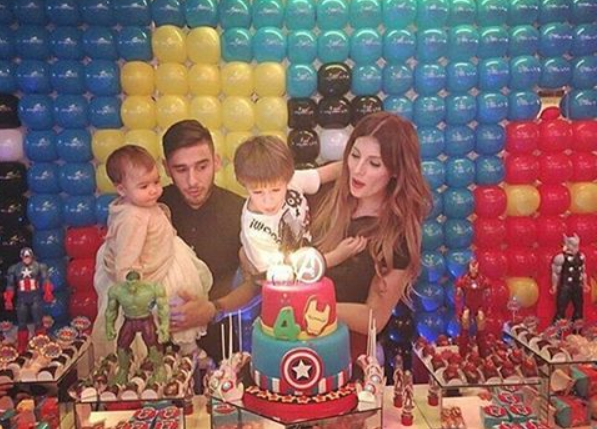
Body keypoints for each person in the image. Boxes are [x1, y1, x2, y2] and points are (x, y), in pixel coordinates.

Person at [309, 112, 432, 359]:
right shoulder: (326, 195)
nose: (358, 170)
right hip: (294, 341)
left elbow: (374, 317)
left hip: (349, 354)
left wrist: (311, 307)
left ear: (395, 171)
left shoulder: (397, 236)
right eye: (355, 155)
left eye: (374, 164)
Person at [92, 145, 212, 357]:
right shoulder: (132, 219)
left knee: (183, 304)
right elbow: (126, 259)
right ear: (122, 189)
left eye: (156, 182)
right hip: (150, 272)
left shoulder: (144, 204)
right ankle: (167, 352)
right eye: (144, 186)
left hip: (166, 255)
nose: (154, 190)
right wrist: (132, 290)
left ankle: (187, 347)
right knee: (169, 308)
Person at [159, 120, 255, 364]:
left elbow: (257, 283)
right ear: (166, 168)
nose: (192, 181)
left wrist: (212, 309)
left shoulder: (241, 211)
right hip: (158, 345)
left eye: (202, 166)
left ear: (216, 161)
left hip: (223, 345)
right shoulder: (153, 209)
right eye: (181, 169)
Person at [233, 135, 357, 280]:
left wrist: (358, 164)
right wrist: (337, 256)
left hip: (302, 257)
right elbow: (276, 276)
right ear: (244, 184)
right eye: (257, 192)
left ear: (287, 179)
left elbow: (328, 173)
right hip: (266, 279)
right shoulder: (254, 229)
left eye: (276, 190)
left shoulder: (291, 181)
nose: (268, 200)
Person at [105, 270, 169, 386]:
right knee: (121, 345)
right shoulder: (117, 291)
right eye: (129, 283)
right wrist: (109, 325)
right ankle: (123, 370)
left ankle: (159, 368)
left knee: (153, 344)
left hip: (145, 319)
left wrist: (164, 325)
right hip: (129, 320)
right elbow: (111, 310)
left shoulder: (152, 288)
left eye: (134, 283)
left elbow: (163, 307)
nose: (132, 286)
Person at [4, 248, 54, 353]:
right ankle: (22, 344)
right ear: (21, 257)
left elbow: (46, 280)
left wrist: (48, 291)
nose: (27, 259)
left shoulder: (39, 266)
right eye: (25, 256)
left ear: (32, 256)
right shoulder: (14, 269)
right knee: (21, 322)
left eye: (28, 256)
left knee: (38, 321)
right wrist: (8, 298)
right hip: (22, 299)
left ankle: (41, 343)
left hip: (35, 297)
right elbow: (10, 285)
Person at [551, 233, 588, 323]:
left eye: (576, 245)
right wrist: (554, 286)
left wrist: (585, 284)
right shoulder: (560, 257)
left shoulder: (581, 257)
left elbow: (583, 272)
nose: (575, 247)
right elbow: (555, 273)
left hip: (577, 286)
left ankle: (577, 328)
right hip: (565, 286)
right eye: (573, 245)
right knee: (561, 309)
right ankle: (557, 328)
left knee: (579, 308)